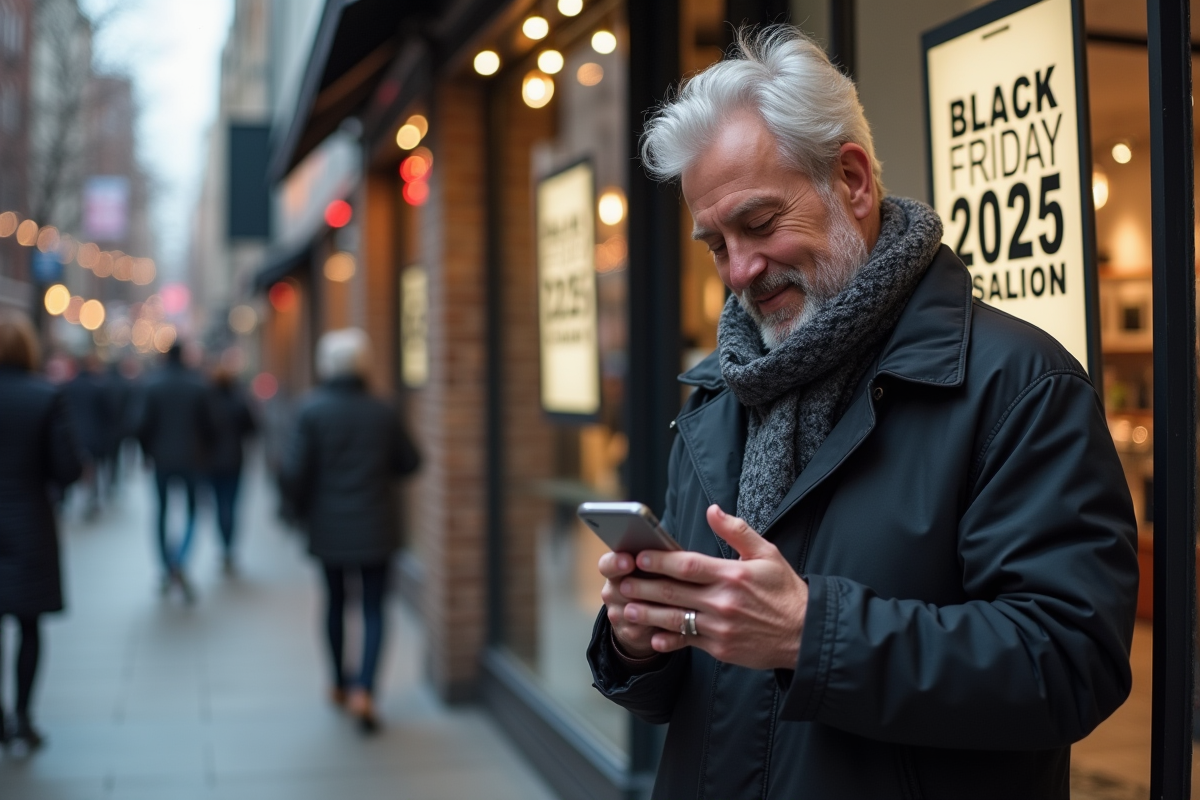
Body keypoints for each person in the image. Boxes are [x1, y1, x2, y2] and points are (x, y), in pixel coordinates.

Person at [587, 27, 1139, 799]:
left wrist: (815, 635)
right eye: (715, 244)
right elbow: (697, 691)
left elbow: (1071, 663)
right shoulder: (717, 394)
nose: (739, 270)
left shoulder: (1021, 383)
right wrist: (638, 642)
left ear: (851, 180)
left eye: (760, 222)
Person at [281, 329, 419, 733]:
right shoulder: (383, 410)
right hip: (375, 525)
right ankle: (365, 690)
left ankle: (339, 683)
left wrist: (298, 510)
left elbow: (294, 473)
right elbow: (410, 462)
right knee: (375, 608)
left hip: (328, 527)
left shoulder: (311, 410)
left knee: (335, 603)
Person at [0, 311, 82, 751]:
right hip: (28, 521)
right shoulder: (46, 396)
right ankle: (23, 718)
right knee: (28, 625)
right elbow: (67, 467)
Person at [133, 343, 216, 601]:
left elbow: (139, 423)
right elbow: (212, 425)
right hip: (192, 459)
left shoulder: (152, 385)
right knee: (192, 511)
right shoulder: (198, 385)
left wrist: (146, 452)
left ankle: (166, 565)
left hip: (162, 459)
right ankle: (179, 559)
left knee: (162, 511)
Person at [207, 365, 257, 574]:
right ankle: (229, 546)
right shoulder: (239, 402)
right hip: (234, 460)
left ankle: (224, 544)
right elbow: (252, 428)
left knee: (220, 505)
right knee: (232, 504)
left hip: (211, 463)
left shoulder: (208, 404)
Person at [62, 352, 114, 518]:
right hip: (94, 436)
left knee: (73, 468)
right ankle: (93, 500)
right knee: (95, 470)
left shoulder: (67, 387)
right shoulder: (98, 388)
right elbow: (107, 415)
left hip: (73, 435)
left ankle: (69, 501)